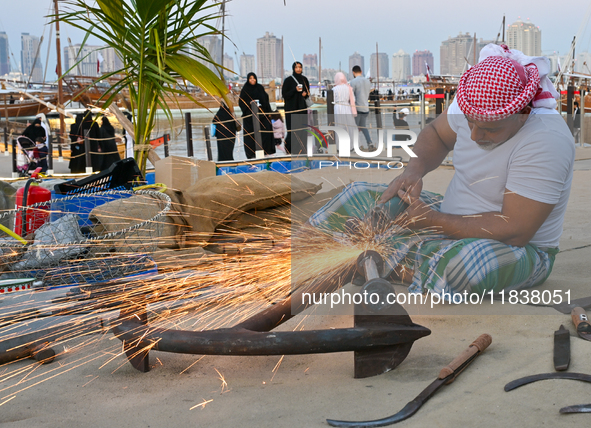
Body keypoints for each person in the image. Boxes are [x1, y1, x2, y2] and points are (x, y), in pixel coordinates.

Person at [309, 44, 574, 303]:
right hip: (446, 218)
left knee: (467, 265)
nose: (474, 135)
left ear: (524, 113)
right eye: (470, 123)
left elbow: (515, 229)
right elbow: (436, 134)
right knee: (357, 194)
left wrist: (431, 220)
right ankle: (310, 248)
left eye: (489, 130)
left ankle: (369, 256)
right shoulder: (471, 104)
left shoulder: (546, 139)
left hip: (517, 247)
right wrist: (413, 172)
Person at [239, 72, 275, 158]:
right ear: (248, 79)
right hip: (250, 116)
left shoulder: (259, 88)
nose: (252, 80)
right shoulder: (245, 89)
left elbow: (266, 100)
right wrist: (250, 103)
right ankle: (252, 154)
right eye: (250, 78)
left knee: (265, 132)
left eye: (254, 78)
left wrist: (269, 112)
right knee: (251, 136)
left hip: (262, 115)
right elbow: (241, 102)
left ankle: (266, 152)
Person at [282, 62, 311, 154]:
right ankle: (290, 150)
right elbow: (285, 95)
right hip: (291, 110)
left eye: (300, 67)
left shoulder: (304, 79)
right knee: (292, 131)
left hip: (302, 109)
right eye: (296, 67)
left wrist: (305, 94)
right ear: (293, 68)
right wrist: (295, 90)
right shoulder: (288, 80)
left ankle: (302, 150)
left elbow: (307, 93)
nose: (298, 69)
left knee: (302, 130)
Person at [349, 65, 375, 151]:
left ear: (353, 72)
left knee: (354, 128)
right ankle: (370, 143)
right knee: (363, 127)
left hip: (357, 108)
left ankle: (355, 146)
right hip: (365, 108)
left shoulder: (353, 82)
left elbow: (352, 96)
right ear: (361, 71)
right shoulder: (368, 81)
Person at [332, 72, 358, 149]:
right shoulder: (349, 88)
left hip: (337, 108)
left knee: (339, 127)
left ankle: (339, 147)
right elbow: (353, 99)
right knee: (349, 127)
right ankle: (351, 146)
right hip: (347, 107)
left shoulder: (334, 89)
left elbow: (331, 100)